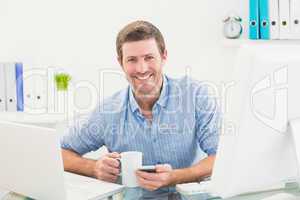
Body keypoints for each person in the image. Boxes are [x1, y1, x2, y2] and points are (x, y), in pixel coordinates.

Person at [61, 20, 220, 200]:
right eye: (132, 60)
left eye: (149, 58)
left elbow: (220, 157)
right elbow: (61, 152)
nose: (142, 69)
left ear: (164, 56)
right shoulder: (108, 111)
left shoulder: (196, 96)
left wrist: (176, 177)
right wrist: (94, 167)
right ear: (121, 63)